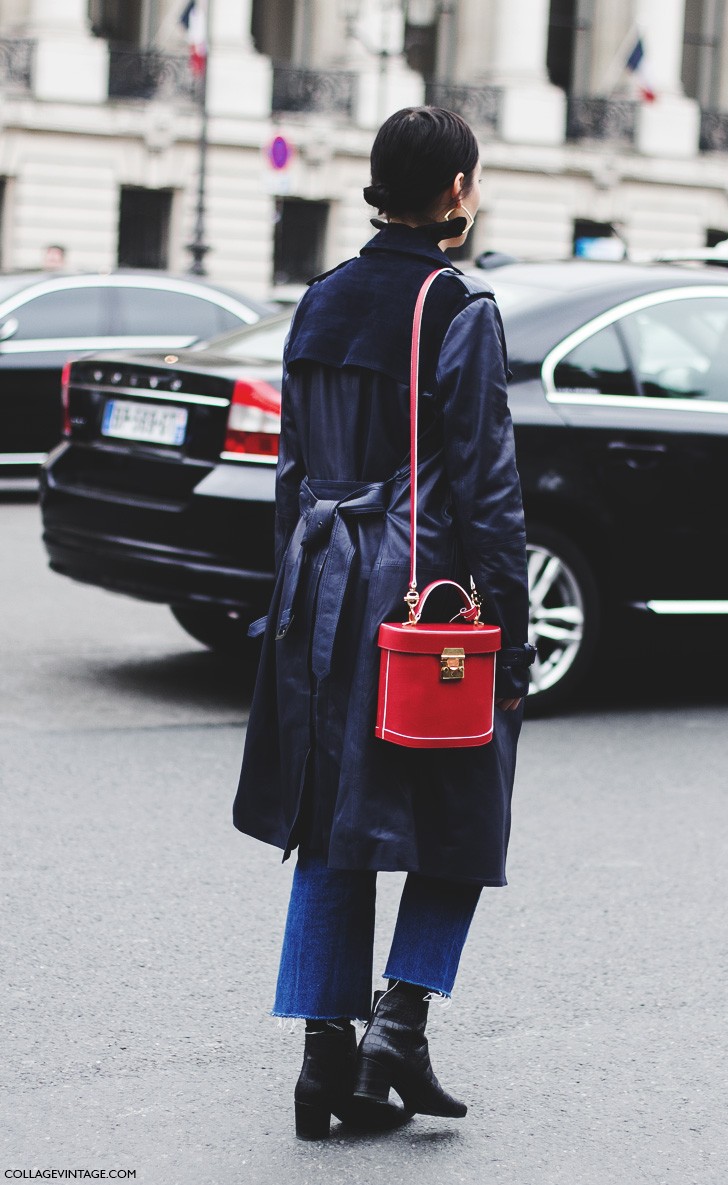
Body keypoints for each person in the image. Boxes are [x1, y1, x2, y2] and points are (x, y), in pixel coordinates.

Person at [233, 106, 533, 1140]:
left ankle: (326, 1056)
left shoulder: (316, 300)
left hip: (319, 579)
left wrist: (290, 590)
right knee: (466, 801)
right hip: (420, 595)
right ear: (455, 190)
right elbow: (488, 493)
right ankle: (398, 1024)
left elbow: (289, 475)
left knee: (331, 816)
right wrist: (515, 633)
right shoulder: (457, 305)